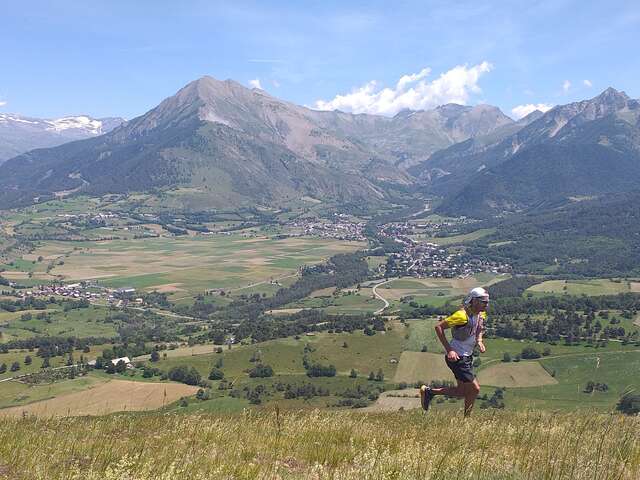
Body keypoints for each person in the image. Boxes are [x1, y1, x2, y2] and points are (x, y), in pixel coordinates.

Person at [420, 286, 489, 417]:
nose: (486, 304)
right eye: (483, 301)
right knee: (475, 389)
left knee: (463, 391)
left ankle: (429, 392)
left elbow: (480, 326)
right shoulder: (461, 316)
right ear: (473, 301)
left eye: (487, 301)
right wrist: (449, 350)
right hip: (458, 357)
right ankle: (467, 419)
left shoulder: (481, 313)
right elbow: (438, 327)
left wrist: (479, 340)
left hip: (467, 356)